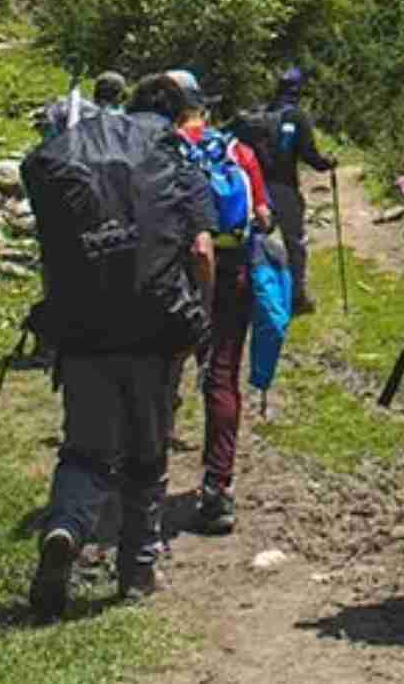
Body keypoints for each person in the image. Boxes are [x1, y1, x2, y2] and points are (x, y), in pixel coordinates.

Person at [23, 86, 215, 619]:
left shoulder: (74, 154)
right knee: (147, 455)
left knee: (85, 450)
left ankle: (65, 528)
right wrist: (202, 318)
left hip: (83, 330)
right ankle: (137, 572)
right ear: (177, 116)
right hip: (156, 331)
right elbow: (201, 251)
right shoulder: (173, 159)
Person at [135, 69, 271, 536]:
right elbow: (263, 216)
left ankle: (144, 483)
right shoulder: (237, 152)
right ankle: (217, 489)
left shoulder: (155, 152)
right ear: (203, 108)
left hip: (167, 273)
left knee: (159, 375)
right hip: (229, 276)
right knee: (221, 376)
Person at [231, 66, 337, 316]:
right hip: (285, 187)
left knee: (254, 240)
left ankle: (251, 293)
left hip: (256, 188)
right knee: (294, 242)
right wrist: (328, 164)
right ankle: (296, 297)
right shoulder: (297, 117)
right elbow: (309, 155)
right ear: (299, 90)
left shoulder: (261, 114)